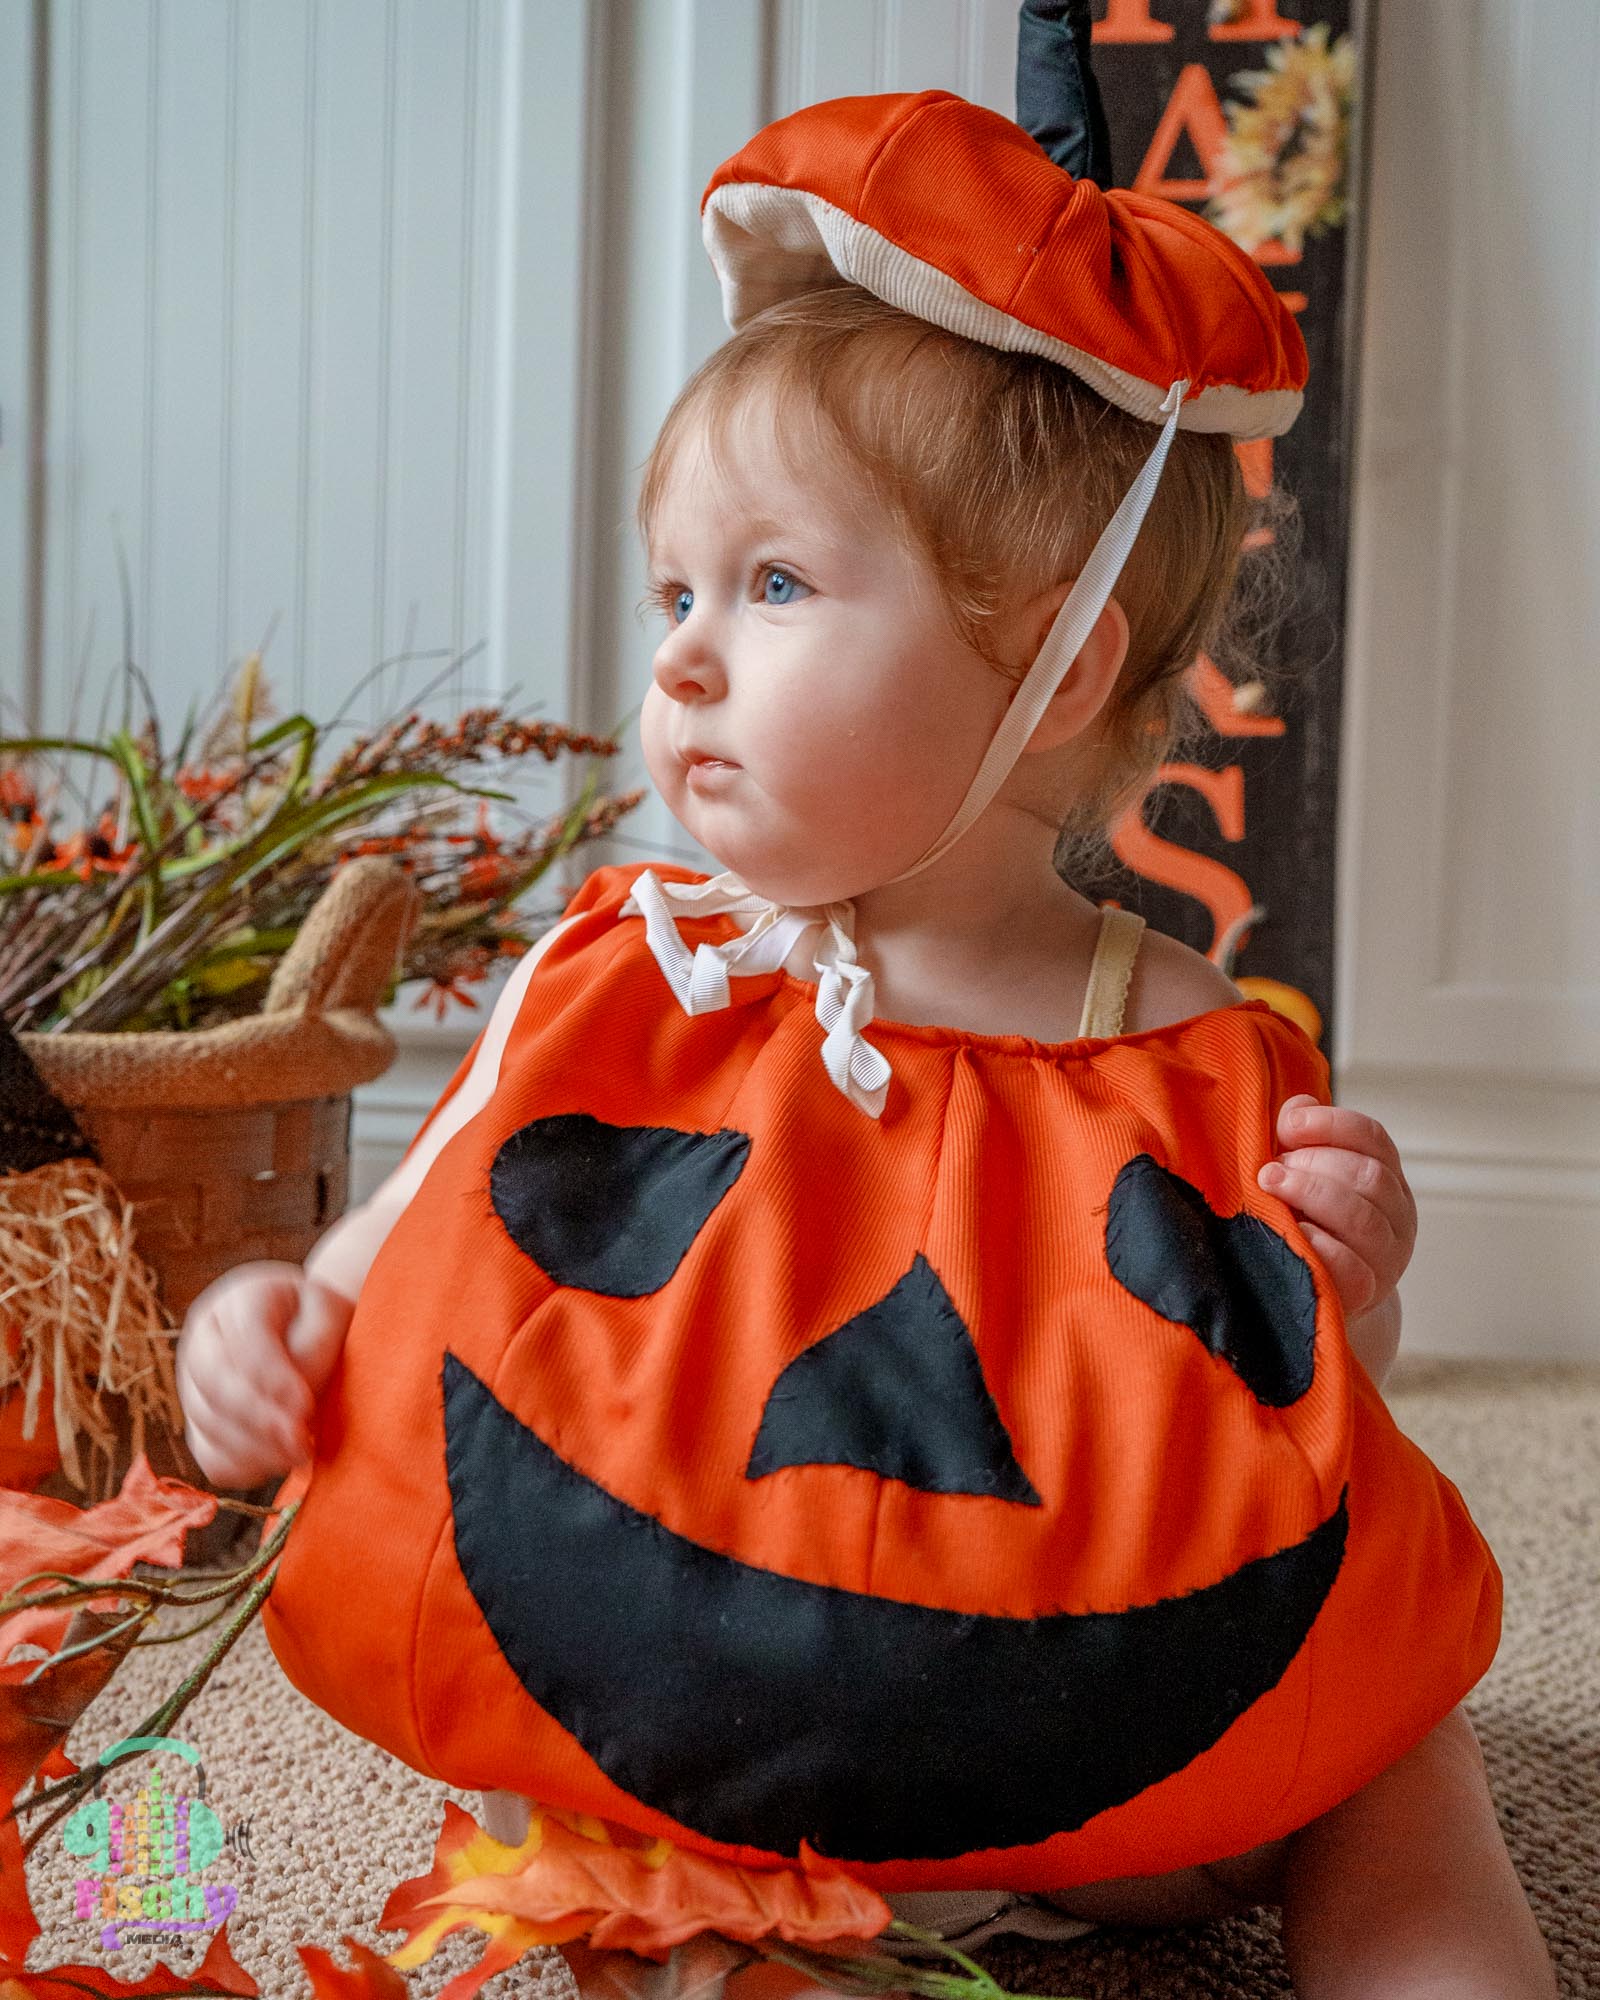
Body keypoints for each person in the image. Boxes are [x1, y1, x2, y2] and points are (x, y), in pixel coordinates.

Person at [177, 91, 1556, 2000]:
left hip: (1116, 1785)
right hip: (691, 1723)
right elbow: (401, 1249)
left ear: (1056, 672)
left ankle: (1429, 1957)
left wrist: (1361, 1276)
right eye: (675, 587)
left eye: (774, 585)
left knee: (1381, 1706)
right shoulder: (626, 981)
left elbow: (1292, 1415)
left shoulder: (1176, 1034)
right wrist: (261, 1329)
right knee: (606, 1821)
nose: (677, 656)